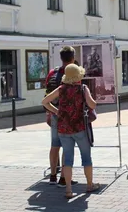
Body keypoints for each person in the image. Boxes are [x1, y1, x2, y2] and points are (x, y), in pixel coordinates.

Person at [42, 64, 101, 199]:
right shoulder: (82, 88)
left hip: (63, 128)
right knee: (86, 157)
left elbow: (45, 101)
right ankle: (89, 184)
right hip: (80, 128)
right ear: (78, 77)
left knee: (67, 159)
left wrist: (57, 111)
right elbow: (92, 104)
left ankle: (68, 190)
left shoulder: (61, 89)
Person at [45, 46, 78, 187]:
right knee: (67, 146)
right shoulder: (74, 73)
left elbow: (47, 94)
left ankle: (53, 175)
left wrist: (49, 112)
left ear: (61, 57)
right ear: (73, 58)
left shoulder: (52, 73)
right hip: (69, 116)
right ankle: (64, 178)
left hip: (54, 113)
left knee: (54, 145)